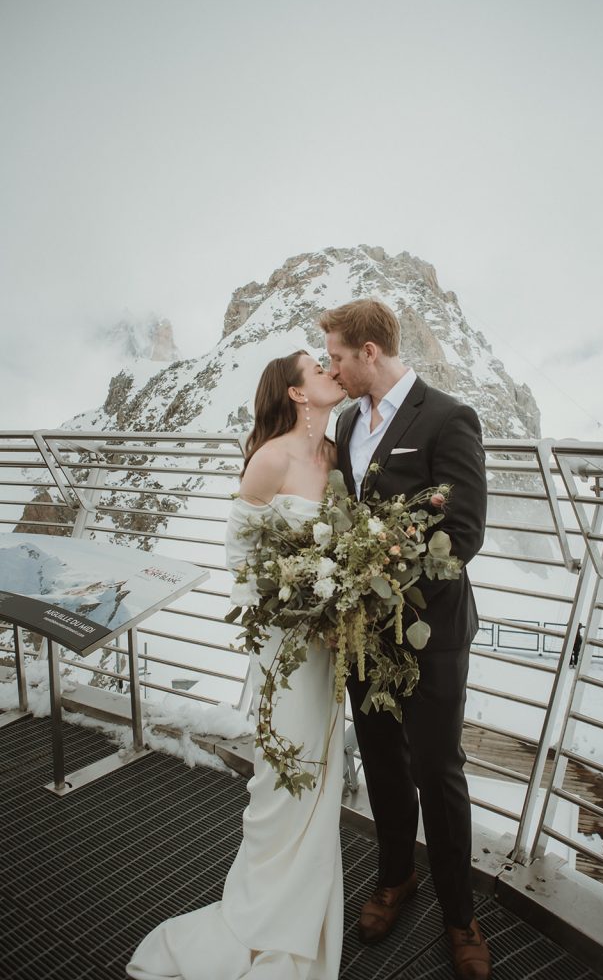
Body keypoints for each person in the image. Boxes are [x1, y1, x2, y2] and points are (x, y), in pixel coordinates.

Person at [127, 351, 347, 980]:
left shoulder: (334, 457)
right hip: (286, 643)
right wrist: (292, 599)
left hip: (327, 644)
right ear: (298, 394)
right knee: (285, 772)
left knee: (321, 766)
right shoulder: (271, 457)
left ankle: (306, 910)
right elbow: (241, 557)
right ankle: (266, 917)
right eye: (317, 367)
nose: (330, 370)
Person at [321, 299, 491, 980]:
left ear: (369, 351)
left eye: (335, 355)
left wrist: (384, 560)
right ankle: (395, 878)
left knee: (436, 771)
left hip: (431, 629)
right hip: (365, 630)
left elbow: (466, 529)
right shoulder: (343, 421)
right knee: (382, 762)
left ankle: (460, 916)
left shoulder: (447, 417)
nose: (330, 367)